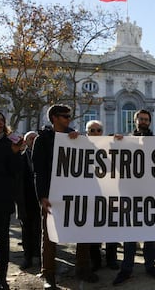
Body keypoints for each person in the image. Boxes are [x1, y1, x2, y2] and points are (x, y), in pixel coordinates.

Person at [32, 104, 98, 289]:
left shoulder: (76, 137)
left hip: (77, 193)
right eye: (64, 116)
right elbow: (39, 171)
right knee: (50, 235)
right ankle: (48, 274)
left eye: (69, 116)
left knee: (83, 230)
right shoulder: (42, 140)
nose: (68, 119)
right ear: (54, 117)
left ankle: (83, 268)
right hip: (52, 195)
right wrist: (42, 196)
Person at [113, 109, 155, 286]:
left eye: (146, 119)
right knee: (130, 234)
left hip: (151, 193)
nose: (143, 121)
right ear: (135, 121)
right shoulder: (126, 141)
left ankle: (150, 266)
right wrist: (116, 143)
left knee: (150, 233)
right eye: (140, 119)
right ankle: (126, 269)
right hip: (130, 193)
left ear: (150, 122)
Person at [85, 120, 120, 272]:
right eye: (92, 130)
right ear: (87, 132)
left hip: (109, 194)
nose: (96, 133)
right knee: (93, 231)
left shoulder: (109, 145)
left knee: (111, 230)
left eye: (99, 130)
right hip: (90, 195)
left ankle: (112, 259)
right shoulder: (80, 146)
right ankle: (96, 261)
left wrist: (122, 142)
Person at [0, 111, 24, 290]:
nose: (0, 123)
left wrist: (15, 154)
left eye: (2, 120)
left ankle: (1, 278)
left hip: (2, 200)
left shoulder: (10, 143)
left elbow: (16, 172)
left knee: (4, 242)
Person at [18, 131, 41, 270]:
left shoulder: (43, 155)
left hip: (40, 198)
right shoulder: (19, 157)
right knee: (26, 229)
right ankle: (27, 258)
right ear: (26, 142)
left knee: (39, 229)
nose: (33, 140)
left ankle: (39, 256)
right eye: (31, 138)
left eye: (35, 138)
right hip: (25, 199)